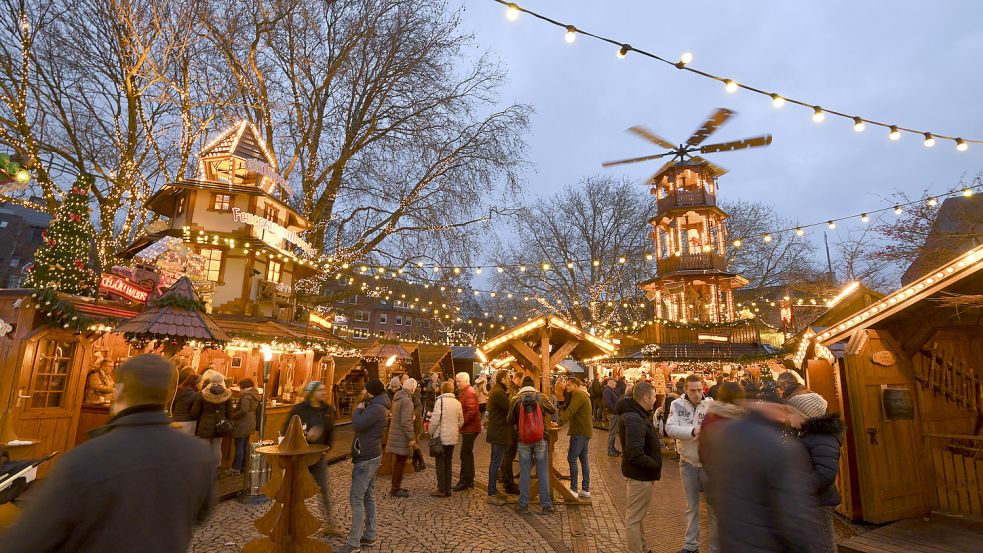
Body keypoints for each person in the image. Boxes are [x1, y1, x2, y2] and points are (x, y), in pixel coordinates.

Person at [0, 354, 215, 552]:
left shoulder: (83, 459)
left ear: (119, 391)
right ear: (168, 396)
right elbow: (202, 512)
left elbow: (27, 540)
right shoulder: (199, 454)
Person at [702, 399, 820, 552]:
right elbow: (794, 516)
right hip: (767, 544)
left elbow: (711, 487)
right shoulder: (781, 446)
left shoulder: (724, 433)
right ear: (778, 408)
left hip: (732, 541)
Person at [666, 374, 717, 553]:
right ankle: (690, 545)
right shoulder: (676, 405)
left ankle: (715, 548)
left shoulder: (711, 405)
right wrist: (695, 431)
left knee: (713, 508)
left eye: (699, 390)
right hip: (687, 462)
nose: (696, 394)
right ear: (685, 390)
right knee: (691, 506)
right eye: (692, 390)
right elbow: (670, 428)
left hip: (709, 465)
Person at [789, 392, 844, 553]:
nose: (789, 417)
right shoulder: (808, 435)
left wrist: (799, 488)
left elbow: (825, 474)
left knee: (823, 545)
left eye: (793, 413)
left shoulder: (822, 438)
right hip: (811, 499)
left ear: (806, 416)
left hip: (819, 501)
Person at [340, 379, 390, 553]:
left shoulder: (375, 408)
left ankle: (353, 544)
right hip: (371, 454)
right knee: (368, 495)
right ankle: (369, 535)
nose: (363, 391)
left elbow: (358, 424)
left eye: (365, 389)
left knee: (356, 499)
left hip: (366, 457)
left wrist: (359, 409)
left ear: (371, 392)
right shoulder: (378, 405)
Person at [282, 381, 338, 536]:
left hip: (318, 457)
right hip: (299, 457)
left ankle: (330, 524)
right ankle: (290, 524)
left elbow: (331, 431)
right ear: (312, 392)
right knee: (295, 491)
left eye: (324, 389)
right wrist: (306, 435)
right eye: (320, 390)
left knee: (323, 489)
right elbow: (287, 429)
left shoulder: (327, 410)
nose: (324, 392)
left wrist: (327, 449)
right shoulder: (299, 409)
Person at [616, 381, 663, 553]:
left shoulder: (636, 414)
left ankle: (643, 548)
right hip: (640, 475)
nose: (655, 399)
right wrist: (654, 464)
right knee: (634, 519)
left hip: (640, 474)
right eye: (654, 396)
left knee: (637, 516)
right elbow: (634, 452)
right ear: (645, 397)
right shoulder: (634, 418)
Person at [507, 376, 557, 514]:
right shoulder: (541, 397)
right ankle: (546, 505)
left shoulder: (516, 399)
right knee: (542, 472)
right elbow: (553, 410)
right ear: (534, 386)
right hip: (540, 438)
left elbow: (509, 420)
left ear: (522, 386)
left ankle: (523, 505)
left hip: (523, 440)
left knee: (525, 472)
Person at [191, 372, 233, 469]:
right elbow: (230, 414)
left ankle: (204, 469)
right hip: (220, 426)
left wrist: (201, 418)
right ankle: (215, 469)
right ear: (222, 381)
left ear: (211, 381)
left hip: (205, 425)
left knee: (204, 449)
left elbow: (194, 412)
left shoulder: (203, 393)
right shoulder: (227, 394)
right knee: (217, 448)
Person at [559, 377, 592, 499]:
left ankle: (573, 489)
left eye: (568, 385)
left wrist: (559, 421)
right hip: (585, 431)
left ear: (576, 385)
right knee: (584, 460)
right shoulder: (584, 395)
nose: (566, 387)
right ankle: (585, 489)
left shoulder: (578, 394)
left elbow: (571, 410)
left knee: (572, 458)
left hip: (579, 432)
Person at [698, 382, 746, 466]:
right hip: (736, 467)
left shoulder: (710, 416)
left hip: (714, 468)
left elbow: (702, 447)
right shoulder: (743, 419)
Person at [485, 369, 514, 505]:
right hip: (499, 432)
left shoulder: (497, 390)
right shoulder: (499, 393)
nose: (510, 380)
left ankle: (494, 490)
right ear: (502, 379)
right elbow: (510, 409)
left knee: (496, 461)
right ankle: (491, 493)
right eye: (508, 377)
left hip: (497, 431)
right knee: (495, 462)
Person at [430, 381, 463, 498]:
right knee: (448, 462)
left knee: (440, 462)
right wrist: (454, 428)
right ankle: (448, 489)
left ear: (442, 390)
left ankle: (441, 489)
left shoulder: (440, 401)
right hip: (452, 437)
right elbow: (461, 421)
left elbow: (434, 420)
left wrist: (430, 431)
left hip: (441, 437)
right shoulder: (457, 403)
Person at [386, 378, 417, 498]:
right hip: (401, 436)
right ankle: (395, 489)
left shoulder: (398, 398)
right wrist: (411, 437)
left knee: (399, 462)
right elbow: (405, 422)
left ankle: (396, 486)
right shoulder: (406, 400)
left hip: (396, 434)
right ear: (412, 389)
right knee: (400, 463)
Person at [453, 371, 481, 491]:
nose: (457, 383)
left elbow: (472, 411)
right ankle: (469, 480)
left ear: (466, 381)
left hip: (470, 428)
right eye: (456, 381)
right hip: (469, 428)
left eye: (459, 381)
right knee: (467, 454)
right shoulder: (466, 392)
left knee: (465, 454)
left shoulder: (468, 392)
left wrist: (462, 422)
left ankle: (465, 480)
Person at [603, 378, 622, 456]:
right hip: (613, 414)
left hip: (613, 413)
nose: (615, 384)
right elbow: (608, 403)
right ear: (610, 382)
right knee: (612, 432)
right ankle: (610, 450)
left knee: (613, 432)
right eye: (614, 383)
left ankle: (612, 448)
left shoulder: (609, 390)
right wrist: (615, 411)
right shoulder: (607, 391)